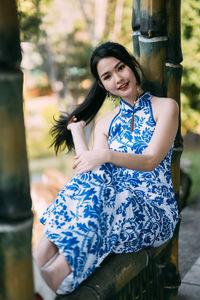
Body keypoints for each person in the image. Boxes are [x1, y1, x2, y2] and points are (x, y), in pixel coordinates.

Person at [33, 41, 179, 299]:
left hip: (154, 213)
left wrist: (105, 154)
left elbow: (150, 160)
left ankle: (48, 275)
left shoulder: (165, 107)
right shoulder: (105, 122)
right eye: (108, 76)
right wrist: (77, 132)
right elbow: (88, 174)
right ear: (102, 85)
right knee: (93, 185)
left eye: (120, 68)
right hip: (113, 208)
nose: (118, 78)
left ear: (133, 66)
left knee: (110, 192)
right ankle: (36, 264)